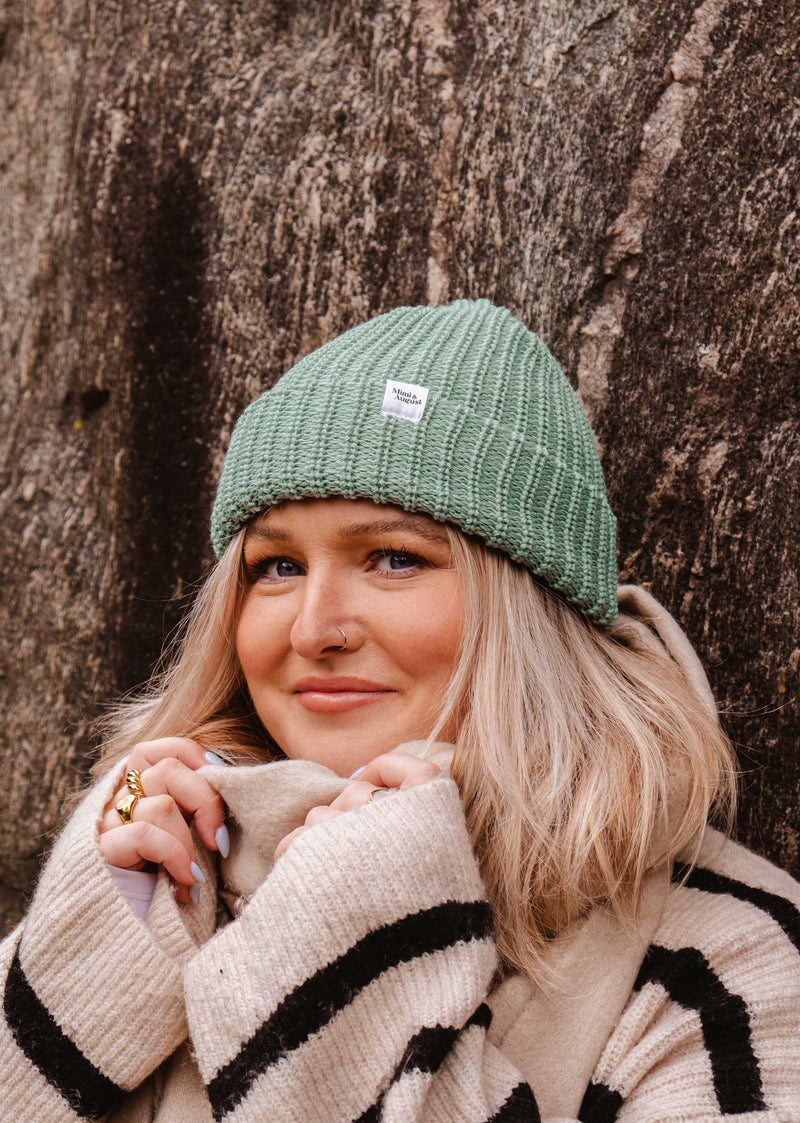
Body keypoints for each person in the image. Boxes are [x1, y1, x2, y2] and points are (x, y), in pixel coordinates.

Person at [1, 299, 798, 1123]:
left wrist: (363, 965)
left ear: (530, 606)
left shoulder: (725, 964)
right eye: (275, 565)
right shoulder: (161, 881)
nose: (314, 629)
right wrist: (71, 987)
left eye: (392, 557)